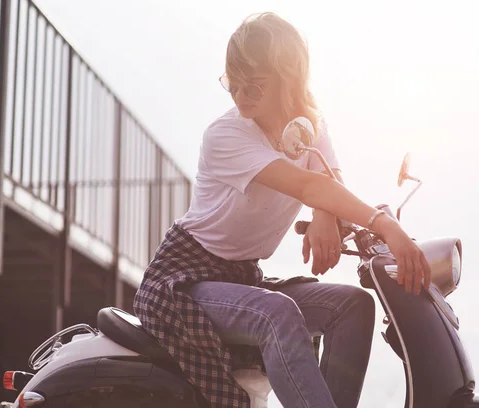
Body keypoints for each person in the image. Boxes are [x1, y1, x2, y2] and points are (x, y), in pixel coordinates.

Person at [133, 11, 431, 408]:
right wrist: (388, 229)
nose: (240, 99)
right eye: (232, 85)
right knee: (278, 313)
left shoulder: (309, 127)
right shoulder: (226, 135)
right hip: (185, 276)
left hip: (241, 275)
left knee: (354, 307)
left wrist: (325, 214)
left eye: (253, 88)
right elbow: (311, 184)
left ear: (288, 80)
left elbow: (329, 180)